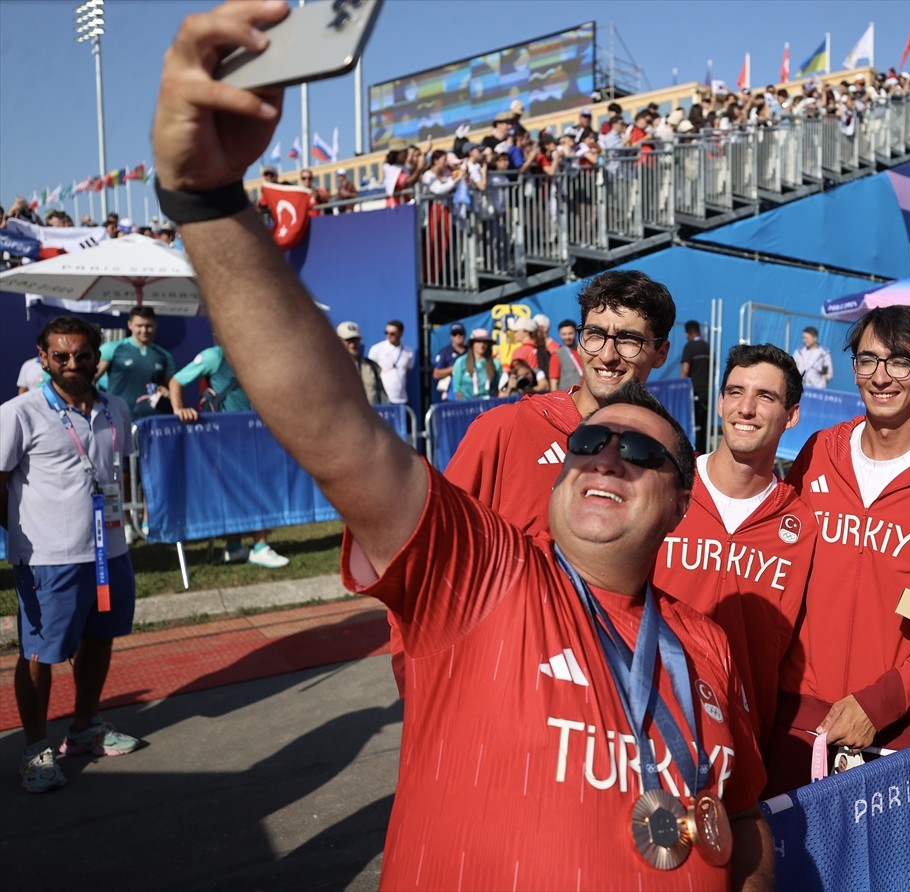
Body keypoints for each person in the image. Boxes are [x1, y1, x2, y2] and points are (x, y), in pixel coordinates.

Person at [149, 8, 775, 884]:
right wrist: (207, 201)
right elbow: (336, 430)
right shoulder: (489, 577)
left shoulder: (702, 646)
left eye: (642, 457)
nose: (606, 457)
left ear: (682, 500)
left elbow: (741, 821)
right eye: (589, 444)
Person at [766, 306, 910, 794]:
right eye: (867, 360)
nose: (881, 377)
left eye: (901, 362)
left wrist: (882, 702)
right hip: (800, 713)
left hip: (898, 727)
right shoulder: (818, 452)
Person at [1, 316, 143, 794]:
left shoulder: (116, 407)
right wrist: (25, 536)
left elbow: (121, 473)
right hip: (48, 558)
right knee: (41, 654)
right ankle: (36, 750)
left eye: (82, 355)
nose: (71, 364)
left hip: (110, 552)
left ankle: (84, 728)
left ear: (96, 357)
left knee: (100, 637)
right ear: (43, 358)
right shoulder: (19, 412)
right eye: (60, 356)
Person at [654, 344, 814, 747]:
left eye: (765, 397)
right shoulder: (664, 485)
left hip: (738, 746)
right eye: (736, 392)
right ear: (721, 402)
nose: (746, 408)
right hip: (642, 725)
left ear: (790, 415)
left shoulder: (802, 526)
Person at [444, 268, 673, 537]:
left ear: (660, 354)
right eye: (595, 334)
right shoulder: (503, 428)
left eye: (628, 339)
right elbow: (443, 540)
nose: (607, 355)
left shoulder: (665, 455)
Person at [168, 345, 289, 568]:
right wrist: (179, 409)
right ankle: (256, 546)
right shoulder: (214, 356)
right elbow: (176, 381)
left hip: (252, 434)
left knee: (249, 488)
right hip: (223, 438)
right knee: (244, 489)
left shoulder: (257, 354)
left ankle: (238, 547)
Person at [95, 307, 176, 420]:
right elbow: (91, 379)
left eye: (148, 326)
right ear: (130, 325)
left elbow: (173, 388)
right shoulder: (112, 349)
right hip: (117, 417)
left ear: (155, 325)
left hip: (151, 419)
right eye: (139, 326)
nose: (144, 330)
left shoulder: (164, 355)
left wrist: (169, 394)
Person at [366, 319, 415, 408]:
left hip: (401, 399)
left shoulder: (409, 352)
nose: (388, 336)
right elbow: (369, 372)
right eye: (386, 332)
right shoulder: (377, 349)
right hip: (382, 399)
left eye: (392, 333)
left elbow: (407, 373)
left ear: (400, 333)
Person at [679, 320, 712, 452]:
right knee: (704, 426)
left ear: (688, 334)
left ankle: (692, 453)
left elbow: (685, 370)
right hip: (707, 392)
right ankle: (703, 452)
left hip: (694, 393)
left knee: (693, 425)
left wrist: (680, 387)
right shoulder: (707, 347)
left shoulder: (690, 347)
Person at [335, 321, 385, 404]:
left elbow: (382, 397)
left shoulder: (372, 367)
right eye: (349, 340)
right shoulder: (330, 368)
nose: (353, 344)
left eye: (356, 340)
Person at [450, 328, 501, 400]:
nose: (482, 345)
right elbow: (457, 389)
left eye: (485, 342)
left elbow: (499, 388)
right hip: (468, 406)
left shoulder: (495, 363)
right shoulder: (460, 362)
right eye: (478, 341)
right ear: (472, 344)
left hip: (490, 406)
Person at [430, 322, 466, 401]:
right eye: (455, 333)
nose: (458, 336)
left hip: (469, 394)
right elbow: (436, 374)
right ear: (451, 336)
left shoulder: (470, 351)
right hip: (452, 396)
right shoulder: (445, 352)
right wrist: (455, 368)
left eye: (460, 333)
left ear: (464, 335)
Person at [556, 318, 583, 391]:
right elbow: (553, 384)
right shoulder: (556, 355)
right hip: (567, 398)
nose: (567, 337)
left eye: (570, 333)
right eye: (564, 334)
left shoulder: (584, 351)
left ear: (576, 333)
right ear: (560, 335)